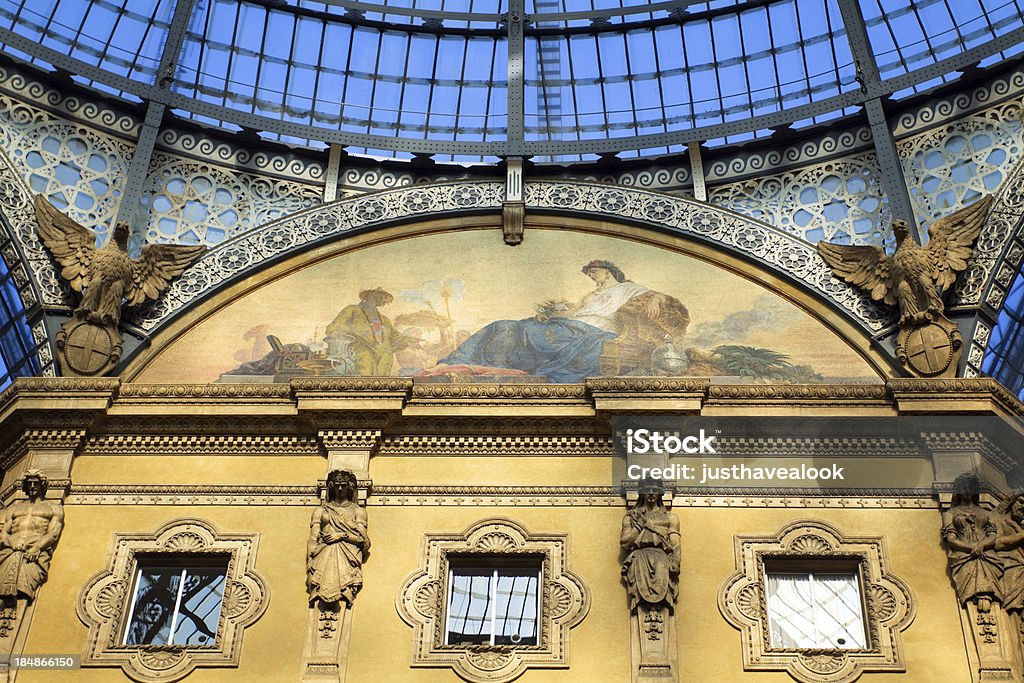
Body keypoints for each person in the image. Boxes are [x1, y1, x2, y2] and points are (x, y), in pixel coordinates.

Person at [437, 260, 688, 382]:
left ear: (608, 271)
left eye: (595, 273)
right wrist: (549, 314)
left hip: (595, 332)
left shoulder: (628, 288)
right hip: (571, 326)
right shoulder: (590, 295)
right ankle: (461, 361)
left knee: (533, 334)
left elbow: (662, 297)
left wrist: (655, 297)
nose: (592, 277)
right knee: (505, 326)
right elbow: (571, 315)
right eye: (590, 275)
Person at [307, 470, 370, 607]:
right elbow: (313, 538)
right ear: (331, 486)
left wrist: (341, 535)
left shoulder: (358, 511)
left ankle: (346, 591)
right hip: (323, 554)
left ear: (350, 487)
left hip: (347, 555)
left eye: (343, 485)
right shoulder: (321, 511)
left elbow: (362, 540)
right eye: (337, 485)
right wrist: (310, 561)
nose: (340, 489)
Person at [324, 288, 420, 375]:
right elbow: (334, 327)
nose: (385, 301)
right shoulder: (352, 310)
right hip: (360, 350)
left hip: (385, 355)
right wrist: (338, 333)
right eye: (383, 297)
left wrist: (408, 341)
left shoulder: (384, 319)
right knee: (366, 370)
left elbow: (395, 337)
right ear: (373, 294)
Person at [0, 470, 64, 601]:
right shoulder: (14, 508)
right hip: (10, 550)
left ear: (42, 485)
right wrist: (13, 544)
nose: (33, 486)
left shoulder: (54, 508)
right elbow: (4, 532)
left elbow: (53, 533)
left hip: (34, 554)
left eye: (36, 483)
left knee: (24, 589)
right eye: (29, 484)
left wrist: (37, 547)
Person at [942, 472, 1002, 606]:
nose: (968, 491)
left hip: (987, 556)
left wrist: (981, 545)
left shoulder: (987, 513)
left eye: (971, 487)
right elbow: (951, 539)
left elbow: (993, 535)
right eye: (964, 487)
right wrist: (973, 548)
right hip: (963, 556)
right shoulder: (950, 513)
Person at [620, 481, 680, 613]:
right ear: (641, 493)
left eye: (655, 490)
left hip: (662, 559)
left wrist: (675, 561)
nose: (651, 493)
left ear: (660, 493)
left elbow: (675, 544)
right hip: (640, 558)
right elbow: (625, 542)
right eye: (648, 490)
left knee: (662, 595)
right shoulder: (631, 517)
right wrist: (639, 524)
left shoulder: (670, 518)